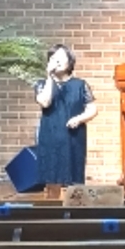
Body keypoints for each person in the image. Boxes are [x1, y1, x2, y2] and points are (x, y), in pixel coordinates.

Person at [34, 44, 97, 193]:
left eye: (61, 58)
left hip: (74, 138)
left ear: (70, 61)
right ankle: (52, 206)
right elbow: (45, 102)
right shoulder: (41, 84)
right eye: (53, 58)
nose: (57, 61)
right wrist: (49, 76)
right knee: (52, 179)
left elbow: (92, 109)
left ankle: (77, 207)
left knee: (75, 180)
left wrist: (79, 118)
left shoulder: (80, 85)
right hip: (50, 137)